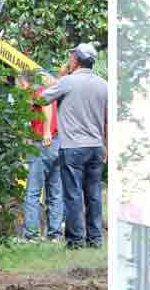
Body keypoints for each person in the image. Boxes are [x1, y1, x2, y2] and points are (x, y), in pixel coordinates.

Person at [37, 44, 108, 249]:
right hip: (96, 147)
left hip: (72, 148)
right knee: (93, 194)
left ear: (76, 59)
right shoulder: (104, 85)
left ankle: (75, 241)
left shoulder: (67, 82)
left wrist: (57, 80)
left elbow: (41, 99)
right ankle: (95, 240)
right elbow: (107, 120)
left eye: (71, 56)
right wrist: (107, 148)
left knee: (73, 194)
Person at [22, 70, 65, 241]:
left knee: (32, 191)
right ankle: (54, 234)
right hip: (57, 143)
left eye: (21, 84)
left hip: (42, 144)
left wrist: (45, 131)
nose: (20, 88)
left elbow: (45, 106)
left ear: (26, 82)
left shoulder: (39, 92)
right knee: (55, 190)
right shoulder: (51, 91)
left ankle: (31, 234)